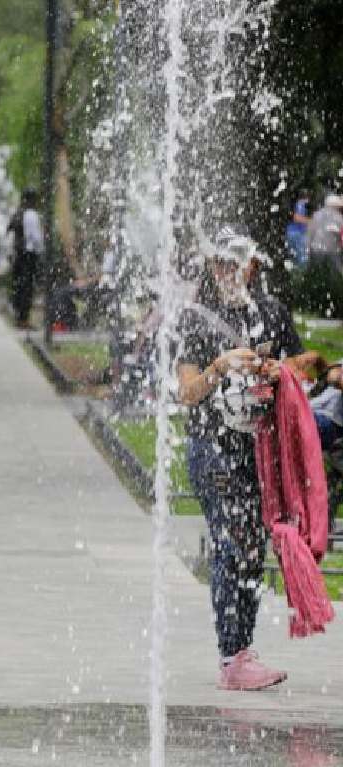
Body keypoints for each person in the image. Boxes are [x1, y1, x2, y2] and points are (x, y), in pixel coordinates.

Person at [176, 227, 310, 691]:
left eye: (234, 265)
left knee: (252, 548)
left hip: (258, 449)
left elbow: (304, 359)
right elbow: (187, 393)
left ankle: (242, 651)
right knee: (233, 544)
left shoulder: (270, 312)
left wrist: (282, 368)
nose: (226, 273)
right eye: (218, 265)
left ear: (252, 266)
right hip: (212, 449)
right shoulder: (196, 320)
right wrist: (218, 368)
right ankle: (231, 656)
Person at [7, 188, 44, 328]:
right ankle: (24, 319)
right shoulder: (31, 214)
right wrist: (41, 251)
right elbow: (35, 237)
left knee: (19, 285)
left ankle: (19, 317)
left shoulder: (19, 212)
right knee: (27, 287)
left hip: (19, 254)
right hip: (29, 255)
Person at [304, 193, 343, 271]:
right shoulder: (339, 218)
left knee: (315, 273)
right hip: (332, 252)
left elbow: (309, 234)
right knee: (336, 274)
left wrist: (307, 251)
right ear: (337, 206)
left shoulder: (316, 215)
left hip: (315, 250)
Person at [285, 190, 311, 265]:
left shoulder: (298, 204)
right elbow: (297, 218)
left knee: (295, 259)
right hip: (297, 234)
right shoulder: (300, 204)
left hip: (294, 234)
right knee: (302, 260)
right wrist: (312, 222)